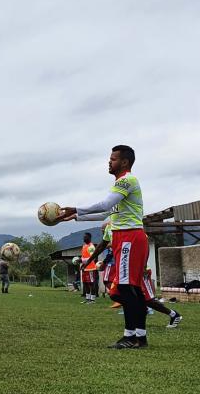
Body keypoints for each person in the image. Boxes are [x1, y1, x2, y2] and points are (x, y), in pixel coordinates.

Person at [60, 145, 151, 349]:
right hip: (124, 238)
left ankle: (131, 336)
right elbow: (105, 214)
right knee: (131, 288)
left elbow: (104, 205)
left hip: (129, 237)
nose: (109, 162)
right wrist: (75, 216)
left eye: (113, 159)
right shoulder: (120, 185)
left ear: (124, 162)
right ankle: (139, 336)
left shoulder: (127, 180)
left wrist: (76, 208)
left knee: (126, 288)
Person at [81, 232, 98, 304]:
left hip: (90, 268)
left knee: (91, 283)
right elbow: (83, 257)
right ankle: (87, 298)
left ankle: (93, 299)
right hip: (85, 267)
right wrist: (82, 263)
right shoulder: (84, 246)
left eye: (86, 237)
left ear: (89, 238)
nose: (84, 238)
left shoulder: (91, 247)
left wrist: (83, 261)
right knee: (85, 283)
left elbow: (93, 258)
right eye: (84, 237)